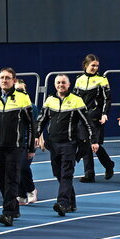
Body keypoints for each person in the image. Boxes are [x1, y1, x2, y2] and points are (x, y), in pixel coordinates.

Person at [38, 74, 98, 216]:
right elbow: (41, 120)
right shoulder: (49, 100)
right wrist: (36, 135)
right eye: (58, 82)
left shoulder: (77, 101)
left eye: (63, 82)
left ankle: (62, 203)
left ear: (69, 84)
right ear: (55, 85)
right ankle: (71, 202)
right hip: (53, 144)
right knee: (58, 174)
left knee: (66, 174)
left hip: (69, 144)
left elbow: (87, 122)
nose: (60, 85)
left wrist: (93, 140)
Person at [0, 67, 36, 226]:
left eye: (7, 78)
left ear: (14, 80)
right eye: (1, 78)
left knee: (11, 179)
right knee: (0, 178)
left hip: (15, 146)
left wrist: (30, 148)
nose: (4, 80)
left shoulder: (23, 98)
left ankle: (7, 213)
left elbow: (31, 125)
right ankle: (13, 207)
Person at [73, 54, 116, 183]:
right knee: (85, 143)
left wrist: (104, 114)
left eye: (97, 65)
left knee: (94, 144)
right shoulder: (79, 79)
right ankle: (89, 173)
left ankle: (108, 165)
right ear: (86, 65)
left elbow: (107, 99)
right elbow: (74, 99)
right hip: (82, 117)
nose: (95, 68)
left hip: (95, 116)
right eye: (93, 65)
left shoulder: (102, 79)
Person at [15, 79, 38, 205]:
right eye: (17, 90)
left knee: (23, 167)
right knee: (15, 169)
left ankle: (31, 189)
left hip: (27, 142)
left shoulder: (31, 107)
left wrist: (38, 138)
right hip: (14, 143)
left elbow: (35, 126)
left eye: (21, 90)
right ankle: (21, 194)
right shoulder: (10, 106)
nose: (19, 92)